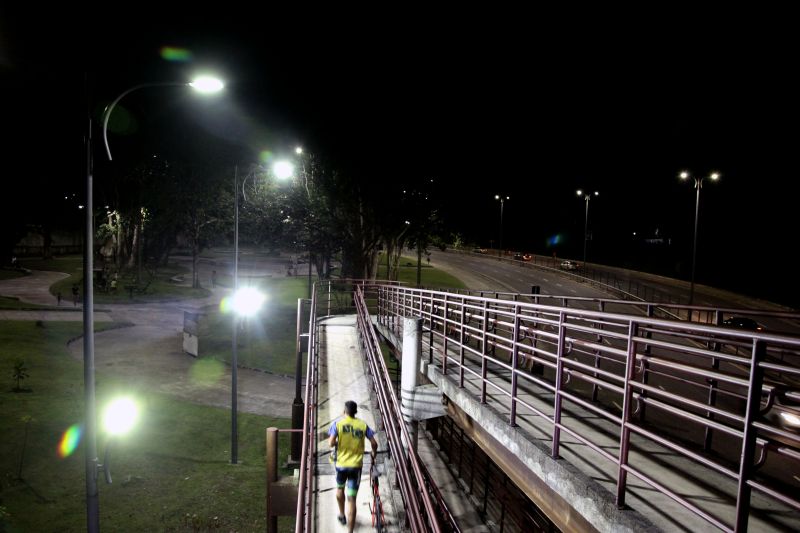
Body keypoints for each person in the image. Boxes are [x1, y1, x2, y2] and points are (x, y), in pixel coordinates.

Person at [328, 400, 378, 531]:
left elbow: (331, 443)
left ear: (344, 411)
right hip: (356, 467)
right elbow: (374, 443)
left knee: (339, 489)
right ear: (356, 412)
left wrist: (339, 441)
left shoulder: (337, 424)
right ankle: (350, 530)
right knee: (352, 499)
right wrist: (373, 454)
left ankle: (342, 514)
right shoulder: (362, 425)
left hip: (341, 465)